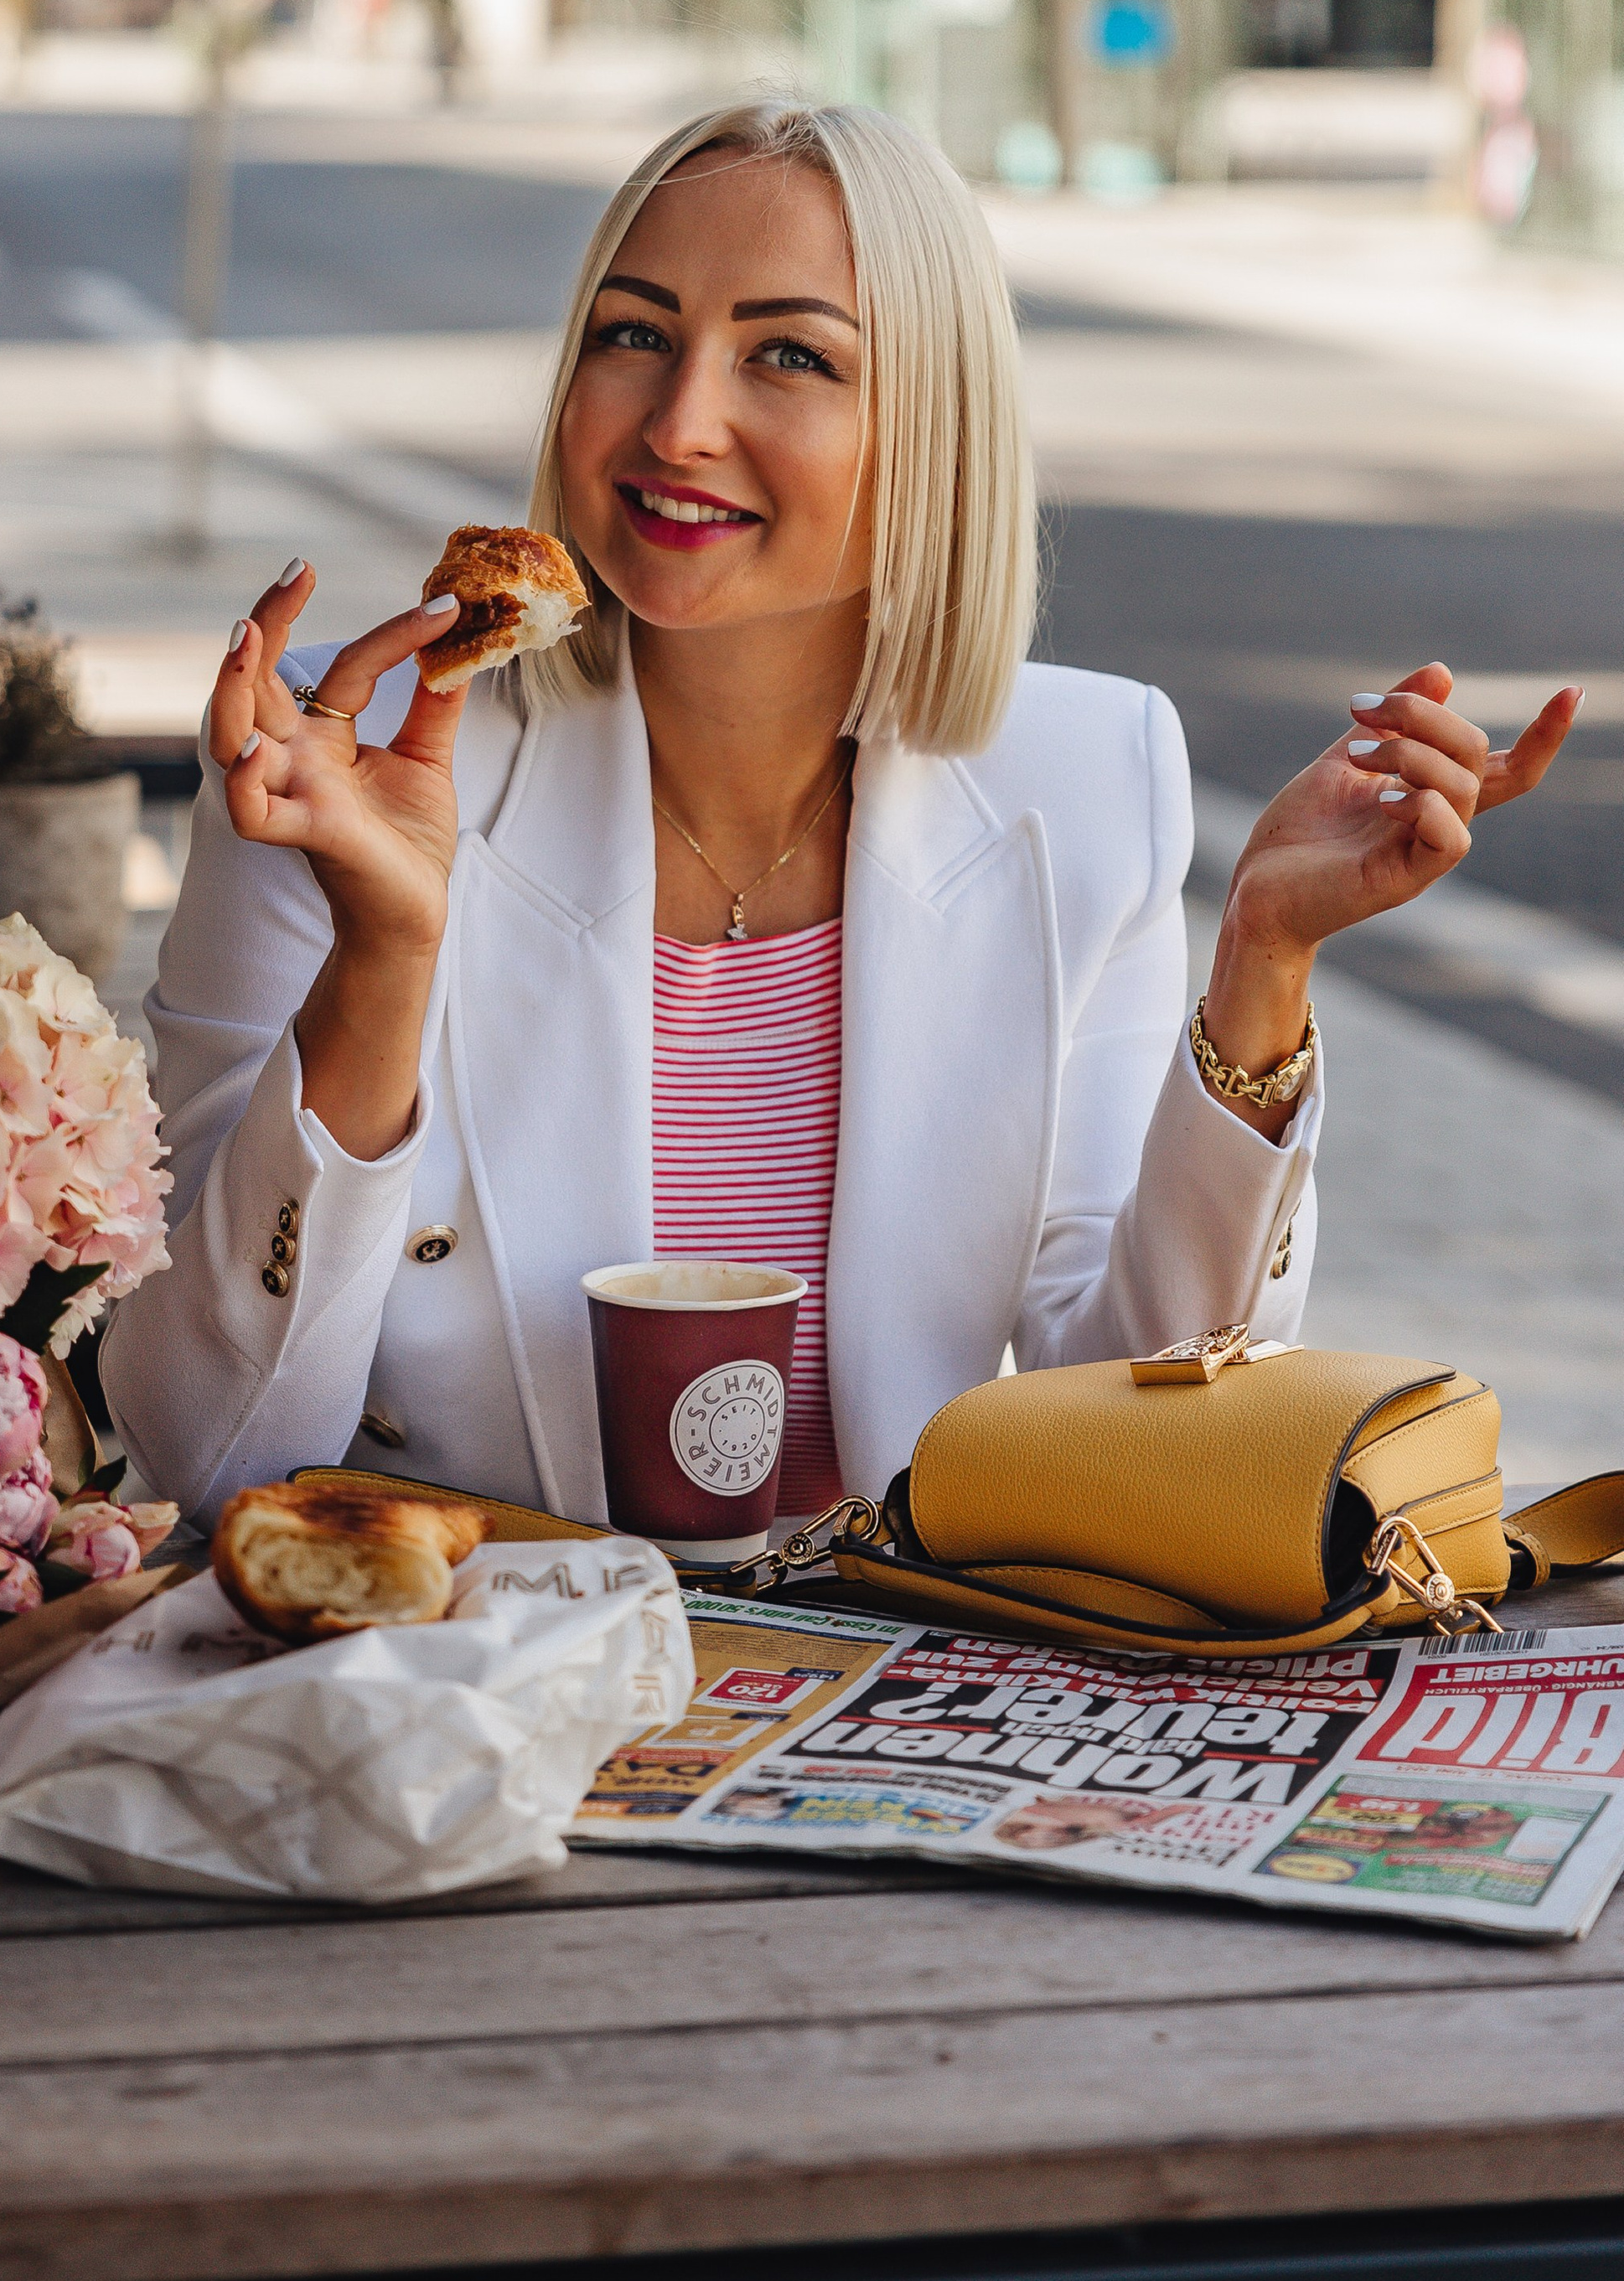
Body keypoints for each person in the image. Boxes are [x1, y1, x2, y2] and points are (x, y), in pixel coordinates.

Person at [103, 103, 1578, 1528]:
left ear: (930, 434)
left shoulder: (1089, 776)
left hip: (876, 1698)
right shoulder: (338, 763)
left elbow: (1132, 1415)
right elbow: (206, 1445)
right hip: (461, 1678)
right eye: (634, 334)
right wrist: (384, 957)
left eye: (790, 356)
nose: (681, 421)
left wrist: (1260, 967)